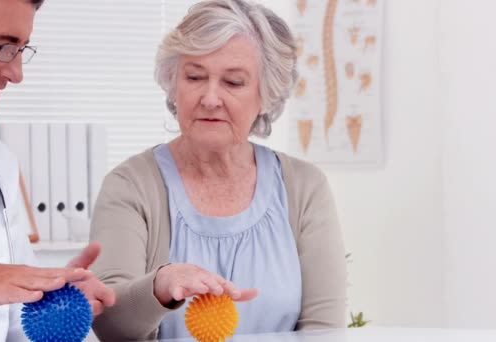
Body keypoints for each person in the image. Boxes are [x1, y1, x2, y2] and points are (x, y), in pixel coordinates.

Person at [89, 0, 347, 340]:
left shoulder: (305, 188)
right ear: (173, 84)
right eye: (195, 77)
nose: (210, 98)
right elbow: (110, 327)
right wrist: (161, 286)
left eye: (234, 82)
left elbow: (325, 330)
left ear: (266, 95)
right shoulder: (130, 186)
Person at [0, 0, 116, 340]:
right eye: (3, 46)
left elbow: (11, 326)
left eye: (21, 50)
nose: (16, 73)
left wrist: (52, 303)